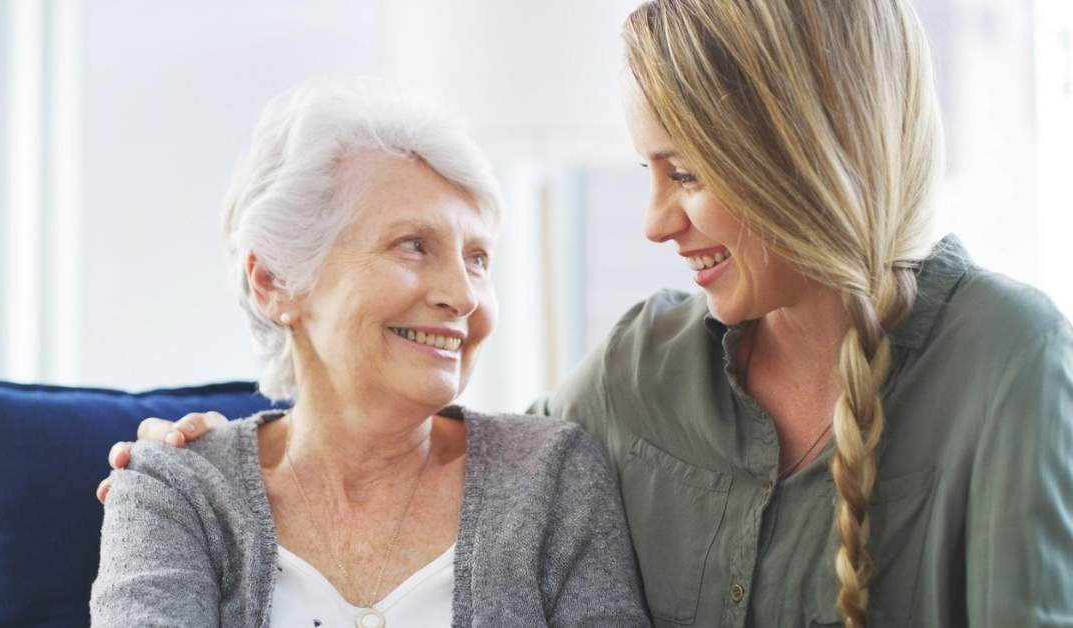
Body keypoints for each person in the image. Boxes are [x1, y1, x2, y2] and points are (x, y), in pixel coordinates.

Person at [104, 1, 1073, 626]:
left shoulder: (1007, 360)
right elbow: (425, 451)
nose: (655, 221)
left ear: (796, 152)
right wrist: (214, 447)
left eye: (685, 173)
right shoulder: (640, 368)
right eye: (647, 172)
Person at [89, 79, 650, 627]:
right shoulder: (176, 487)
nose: (460, 295)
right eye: (414, 245)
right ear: (276, 281)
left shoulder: (551, 476)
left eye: (477, 257)